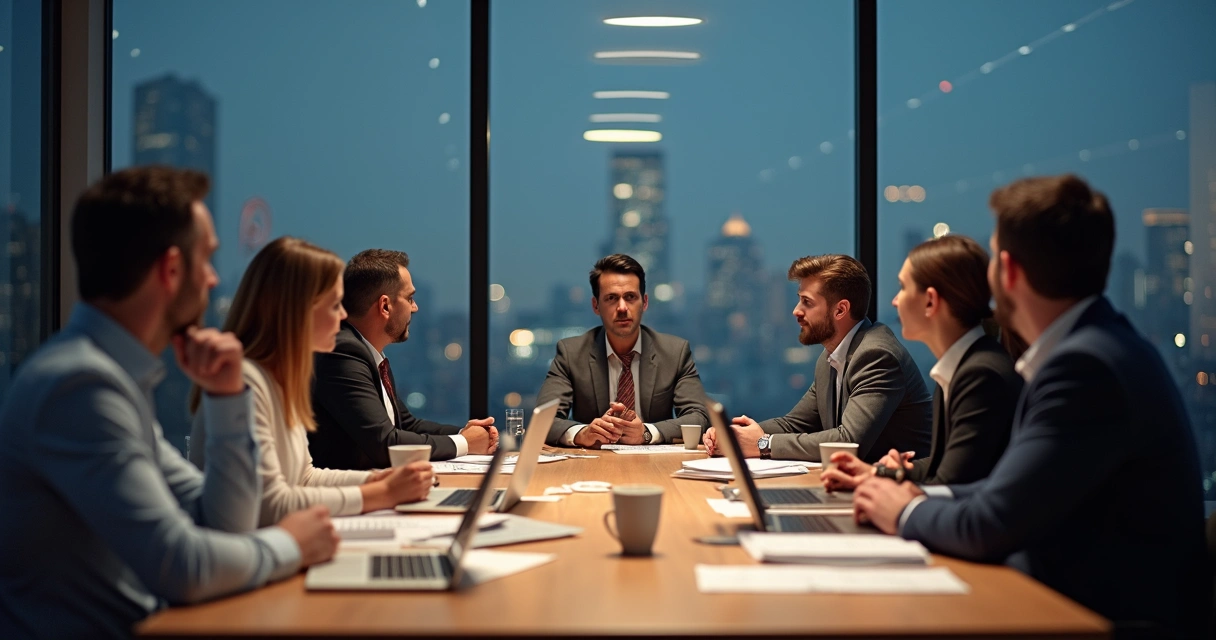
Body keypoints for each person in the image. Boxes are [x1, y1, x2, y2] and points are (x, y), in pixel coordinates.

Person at [852, 175, 1209, 637]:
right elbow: (1002, 492)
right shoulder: (1103, 347)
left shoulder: (1085, 368)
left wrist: (904, 511)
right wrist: (909, 495)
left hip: (1100, 619)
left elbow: (991, 522)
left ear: (1009, 271)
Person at [0, 167, 338, 639]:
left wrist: (226, 398)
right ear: (171, 270)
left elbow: (224, 527)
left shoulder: (110, 379)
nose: (214, 279)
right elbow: (181, 566)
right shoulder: (79, 387)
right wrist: (290, 544)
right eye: (208, 259)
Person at [188, 238, 434, 526]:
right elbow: (269, 505)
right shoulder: (247, 382)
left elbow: (304, 477)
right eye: (334, 305)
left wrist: (377, 480)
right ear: (298, 311)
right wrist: (382, 493)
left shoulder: (281, 379)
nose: (343, 315)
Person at [821, 235, 1022, 490]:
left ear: (930, 301)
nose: (895, 300)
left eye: (903, 287)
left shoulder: (981, 375)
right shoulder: (962, 368)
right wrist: (879, 472)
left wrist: (885, 486)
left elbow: (951, 487)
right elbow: (944, 466)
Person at [704, 254, 932, 462]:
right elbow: (794, 424)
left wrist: (763, 444)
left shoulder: (876, 356)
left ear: (840, 310)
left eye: (807, 302)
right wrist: (733, 435)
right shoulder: (831, 357)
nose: (796, 311)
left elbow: (847, 441)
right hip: (859, 483)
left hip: (906, 487)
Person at [309, 249, 497, 468]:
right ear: (385, 306)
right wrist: (465, 442)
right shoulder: (343, 353)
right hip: (344, 487)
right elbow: (385, 443)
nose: (415, 308)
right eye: (410, 298)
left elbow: (406, 425)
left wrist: (465, 433)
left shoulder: (367, 353)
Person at [537, 254, 709, 447]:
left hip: (655, 463)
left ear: (644, 302)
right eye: (611, 298)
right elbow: (543, 422)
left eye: (630, 297)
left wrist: (646, 433)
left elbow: (699, 417)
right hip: (593, 462)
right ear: (596, 305)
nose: (622, 307)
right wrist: (582, 433)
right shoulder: (571, 353)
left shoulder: (675, 353)